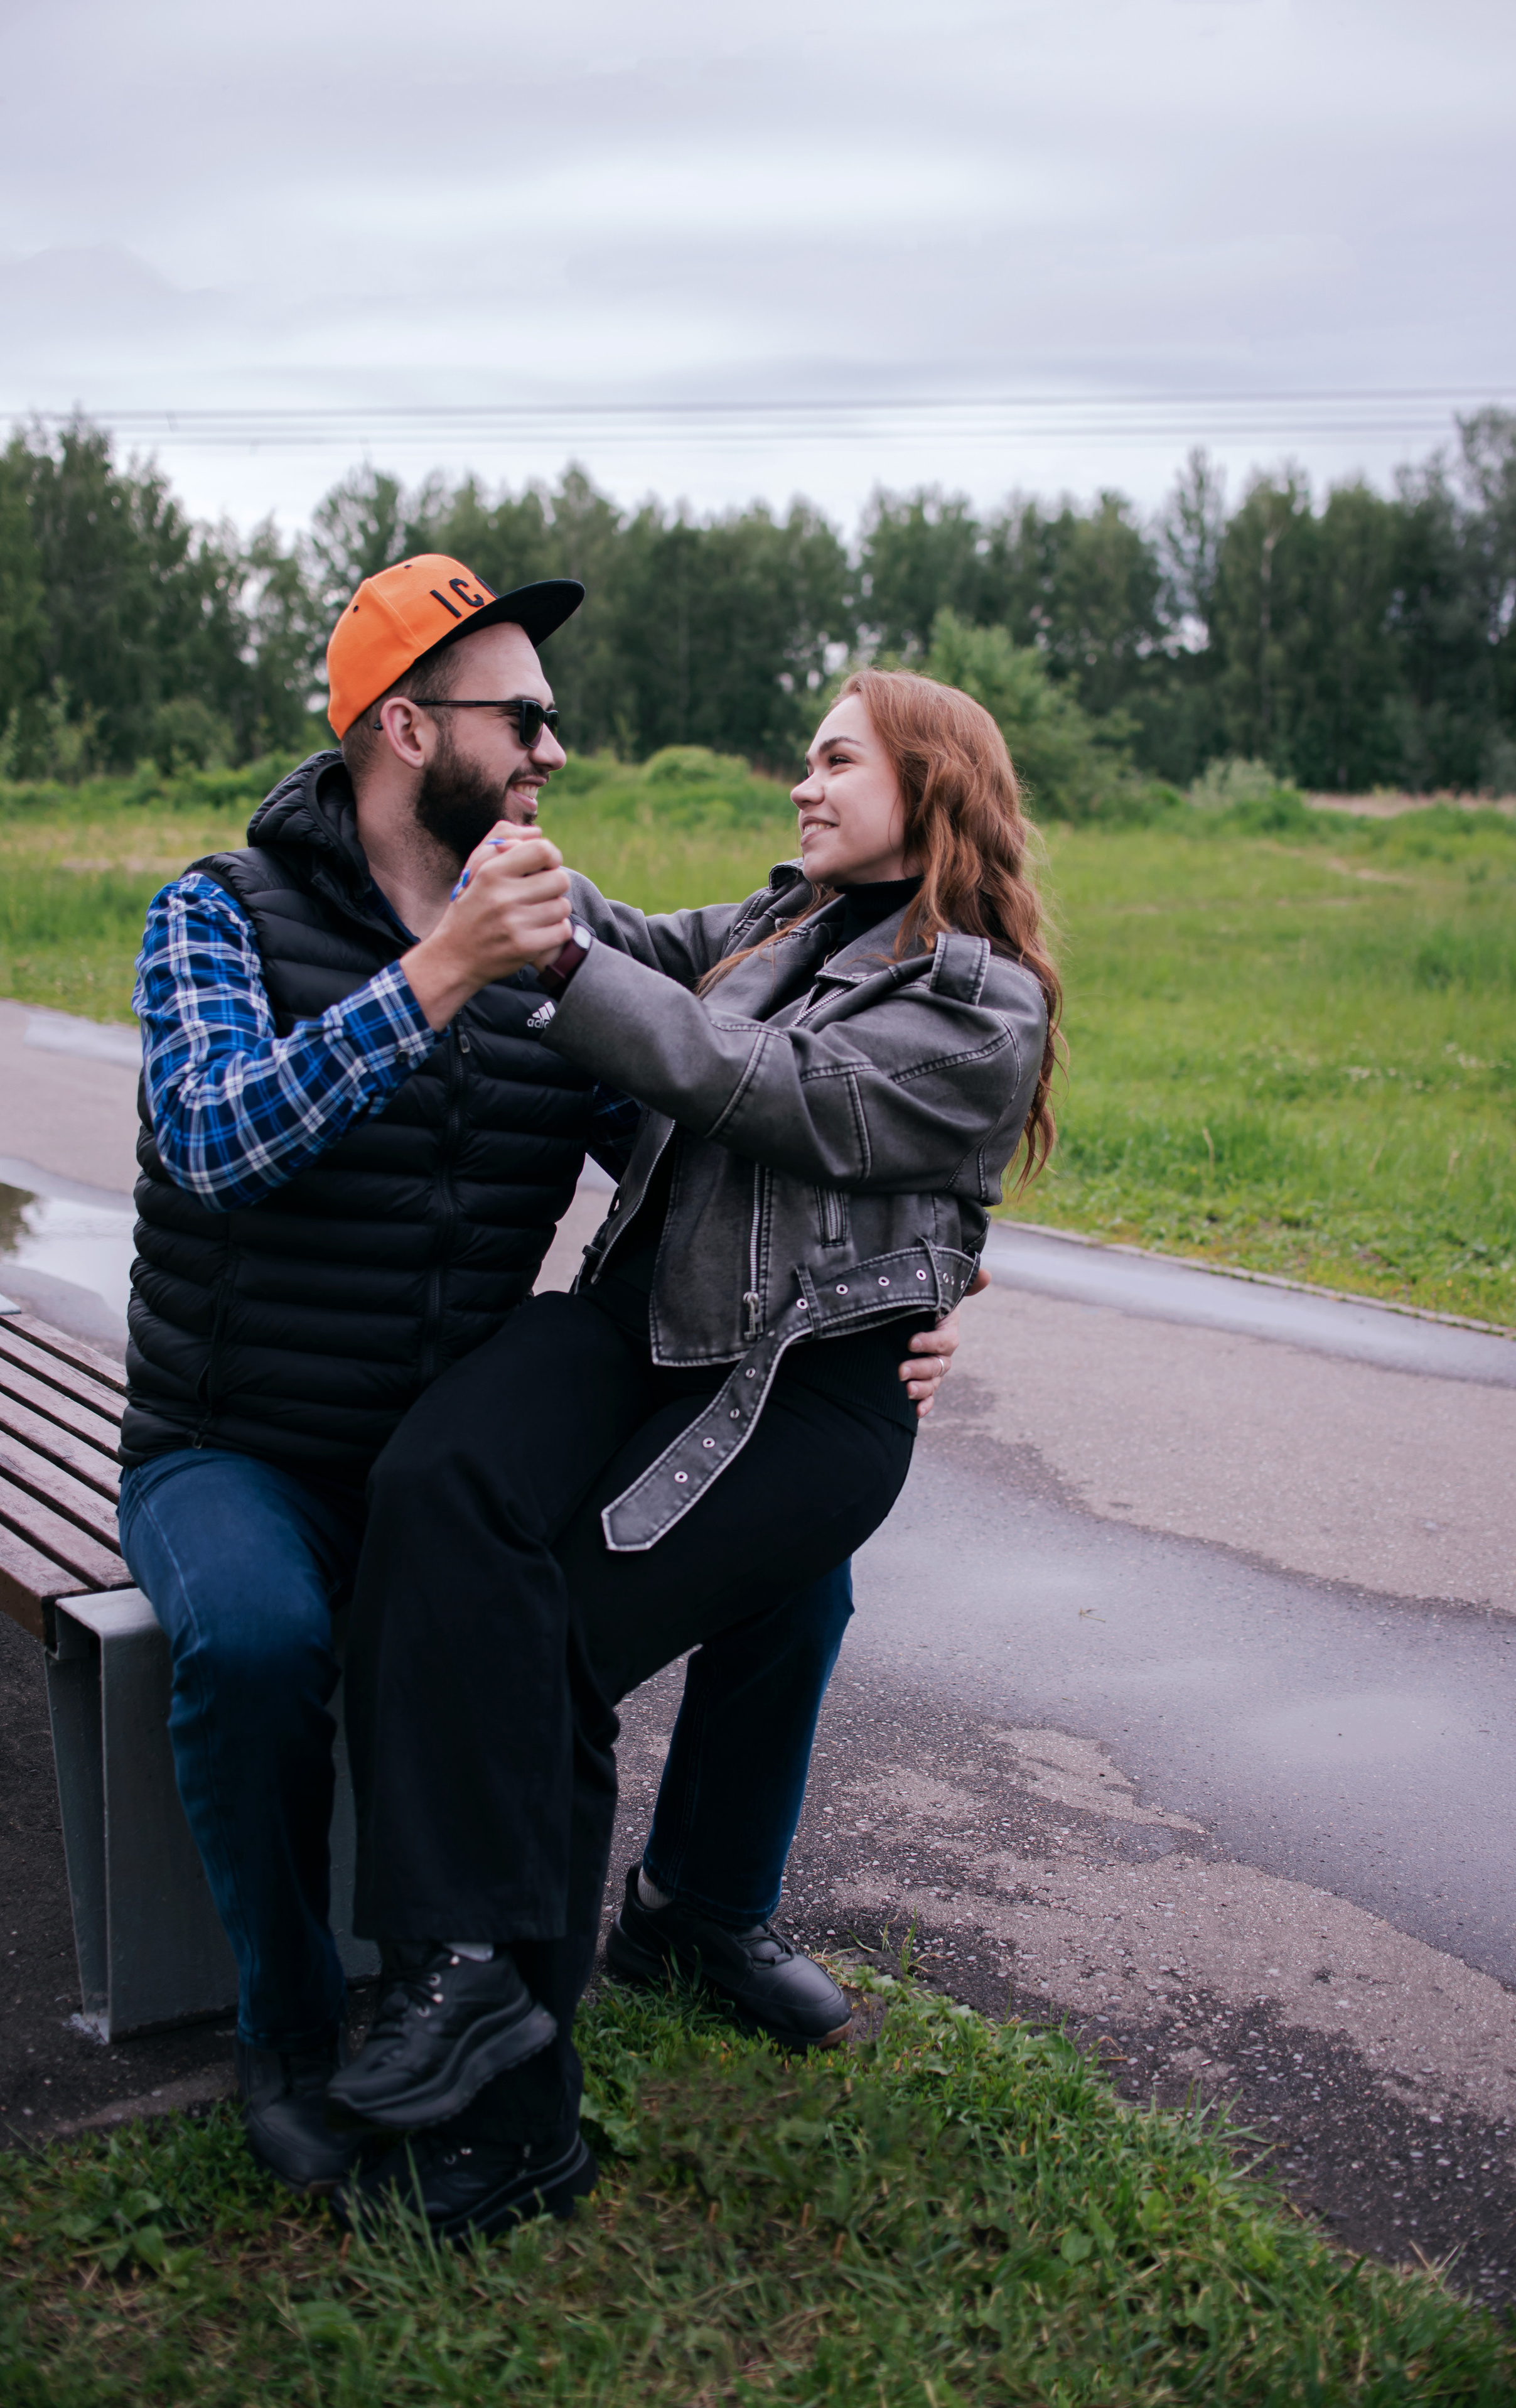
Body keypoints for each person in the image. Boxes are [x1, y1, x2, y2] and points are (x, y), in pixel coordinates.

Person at [114, 558, 964, 2201]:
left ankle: (702, 1909)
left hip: (445, 1441)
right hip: (242, 1444)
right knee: (263, 1637)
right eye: (525, 719)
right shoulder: (219, 909)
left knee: (798, 1548)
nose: (553, 754)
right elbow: (211, 1142)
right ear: (407, 725)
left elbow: (701, 1159)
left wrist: (903, 1293)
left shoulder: (543, 950)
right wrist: (436, 977)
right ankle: (296, 2028)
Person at [328, 667, 1061, 2239]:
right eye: (800, 759)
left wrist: (559, 946)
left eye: (833, 759)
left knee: (545, 1653)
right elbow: (648, 949)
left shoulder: (981, 998)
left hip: (804, 1394)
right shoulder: (779, 921)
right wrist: (479, 816)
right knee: (436, 1479)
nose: (799, 785)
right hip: (636, 1330)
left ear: (932, 785)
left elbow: (766, 1089)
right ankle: (457, 1967)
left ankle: (509, 2120)